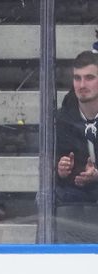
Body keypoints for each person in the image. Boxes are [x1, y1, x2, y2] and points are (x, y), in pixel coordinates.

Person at [56, 51, 98, 204]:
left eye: (89, 78)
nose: (82, 85)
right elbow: (50, 167)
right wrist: (61, 171)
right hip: (76, 192)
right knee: (45, 197)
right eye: (77, 78)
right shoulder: (61, 118)